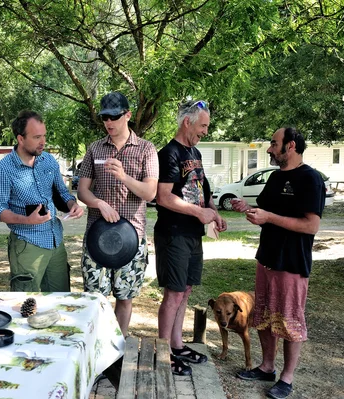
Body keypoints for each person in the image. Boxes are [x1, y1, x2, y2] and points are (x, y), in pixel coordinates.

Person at [234, 127, 325, 399]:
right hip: (267, 258)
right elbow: (266, 212)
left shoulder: (311, 179)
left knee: (290, 321)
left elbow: (311, 226)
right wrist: (246, 208)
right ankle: (267, 367)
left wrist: (269, 218)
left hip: (293, 263)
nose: (269, 149)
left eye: (274, 144)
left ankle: (286, 378)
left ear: (291, 146)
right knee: (263, 316)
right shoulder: (275, 178)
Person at [154, 100, 227, 376]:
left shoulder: (194, 152)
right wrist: (199, 212)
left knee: (185, 290)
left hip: (193, 234)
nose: (206, 131)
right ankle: (164, 354)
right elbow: (163, 197)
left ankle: (176, 344)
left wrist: (214, 213)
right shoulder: (169, 154)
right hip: (173, 234)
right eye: (203, 125)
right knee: (173, 293)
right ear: (188, 122)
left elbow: (203, 190)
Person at [77, 92, 159, 336]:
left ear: (128, 115)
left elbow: (150, 193)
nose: (109, 123)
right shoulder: (94, 149)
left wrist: (124, 177)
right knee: (95, 299)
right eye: (104, 118)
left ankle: (118, 347)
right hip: (97, 236)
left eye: (114, 117)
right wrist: (99, 203)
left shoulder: (146, 149)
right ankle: (97, 346)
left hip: (132, 236)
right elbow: (82, 191)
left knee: (125, 297)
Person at [0, 110, 84, 292]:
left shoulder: (49, 161)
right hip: (27, 244)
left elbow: (62, 192)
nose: (43, 142)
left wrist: (73, 204)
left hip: (56, 241)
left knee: (61, 300)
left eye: (44, 136)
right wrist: (27, 220)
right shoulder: (3, 169)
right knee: (26, 303)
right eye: (37, 137)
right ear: (20, 139)